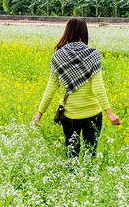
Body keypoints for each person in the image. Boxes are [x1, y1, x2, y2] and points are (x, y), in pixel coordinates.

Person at [33, 18, 120, 158]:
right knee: (89, 157)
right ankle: (88, 179)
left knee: (72, 156)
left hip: (70, 115)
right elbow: (98, 87)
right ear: (84, 32)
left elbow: (51, 89)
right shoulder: (93, 54)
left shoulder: (58, 56)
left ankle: (73, 177)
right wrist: (109, 113)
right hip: (92, 114)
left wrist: (39, 114)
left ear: (67, 32)